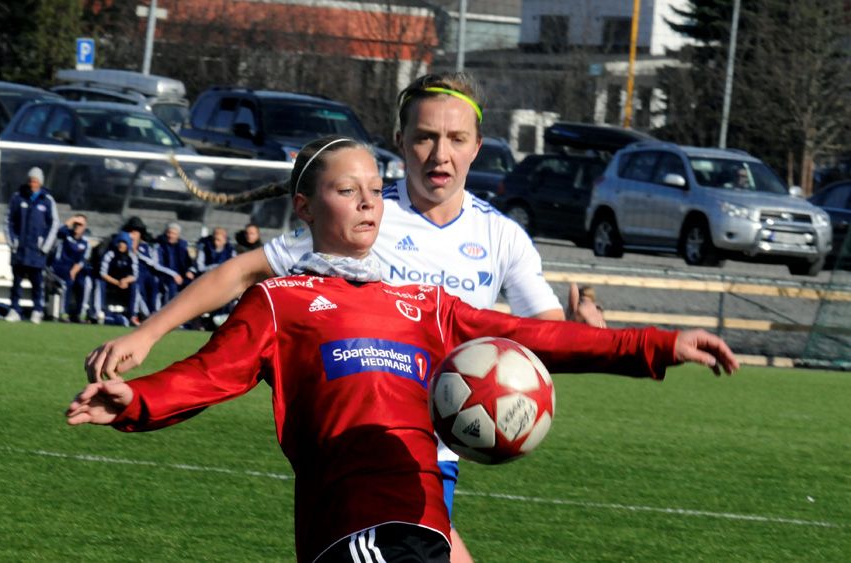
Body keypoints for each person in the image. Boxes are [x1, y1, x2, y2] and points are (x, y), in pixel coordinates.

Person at [67, 137, 739, 563]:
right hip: (354, 527)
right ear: (305, 208)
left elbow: (536, 337)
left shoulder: (423, 304)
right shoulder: (281, 301)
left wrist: (658, 344)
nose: (369, 202)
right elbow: (211, 373)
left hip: (424, 523)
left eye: (373, 189)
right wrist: (138, 399)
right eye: (346, 190)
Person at [84, 72, 601, 561]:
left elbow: (540, 338)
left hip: (441, 446)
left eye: (456, 138)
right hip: (368, 444)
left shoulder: (502, 236)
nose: (439, 153)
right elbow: (241, 272)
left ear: (477, 147)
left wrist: (584, 336)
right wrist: (148, 333)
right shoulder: (363, 209)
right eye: (424, 137)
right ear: (400, 141)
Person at [5, 166, 59, 324]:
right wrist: (12, 242)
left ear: (40, 183)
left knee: (37, 282)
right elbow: (8, 221)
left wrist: (45, 246)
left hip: (37, 251)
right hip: (20, 249)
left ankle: (37, 310)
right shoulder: (18, 197)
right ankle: (15, 309)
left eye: (35, 181)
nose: (32, 184)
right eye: (30, 181)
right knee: (16, 282)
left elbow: (54, 223)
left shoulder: (47, 200)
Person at [47, 214, 91, 322]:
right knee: (67, 283)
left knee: (86, 283)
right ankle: (63, 313)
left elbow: (83, 260)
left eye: (80, 224)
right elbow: (59, 231)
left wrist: (75, 269)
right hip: (58, 268)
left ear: (85, 227)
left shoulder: (85, 242)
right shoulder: (65, 235)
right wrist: (72, 219)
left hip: (74, 270)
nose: (77, 226)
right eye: (76, 224)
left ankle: (80, 314)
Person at [94, 232, 138, 326]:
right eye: (120, 242)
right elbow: (103, 274)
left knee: (135, 286)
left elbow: (135, 275)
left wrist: (125, 280)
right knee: (99, 282)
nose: (121, 245)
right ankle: (98, 313)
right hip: (111, 281)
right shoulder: (110, 254)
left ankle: (133, 315)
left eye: (124, 243)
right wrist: (117, 282)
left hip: (125, 283)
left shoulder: (131, 256)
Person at [154, 222, 194, 305]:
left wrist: (189, 271)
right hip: (166, 275)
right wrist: (174, 274)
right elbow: (158, 265)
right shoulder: (160, 246)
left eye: (174, 234)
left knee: (193, 283)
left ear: (178, 235)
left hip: (180, 274)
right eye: (169, 233)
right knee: (172, 285)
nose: (171, 235)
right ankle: (169, 308)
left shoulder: (182, 247)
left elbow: (188, 262)